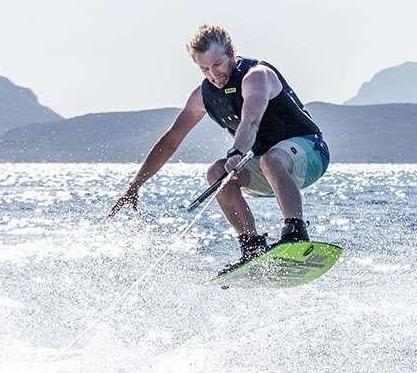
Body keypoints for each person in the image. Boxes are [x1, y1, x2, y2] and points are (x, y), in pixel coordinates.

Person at [109, 24, 330, 267]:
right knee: (217, 172)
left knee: (270, 159)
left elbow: (251, 120)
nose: (213, 74)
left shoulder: (256, 76)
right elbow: (171, 140)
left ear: (231, 56)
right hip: (270, 170)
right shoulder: (202, 96)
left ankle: (296, 231)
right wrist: (136, 185)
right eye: (204, 68)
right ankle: (252, 246)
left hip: (310, 153)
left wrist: (237, 151)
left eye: (217, 64)